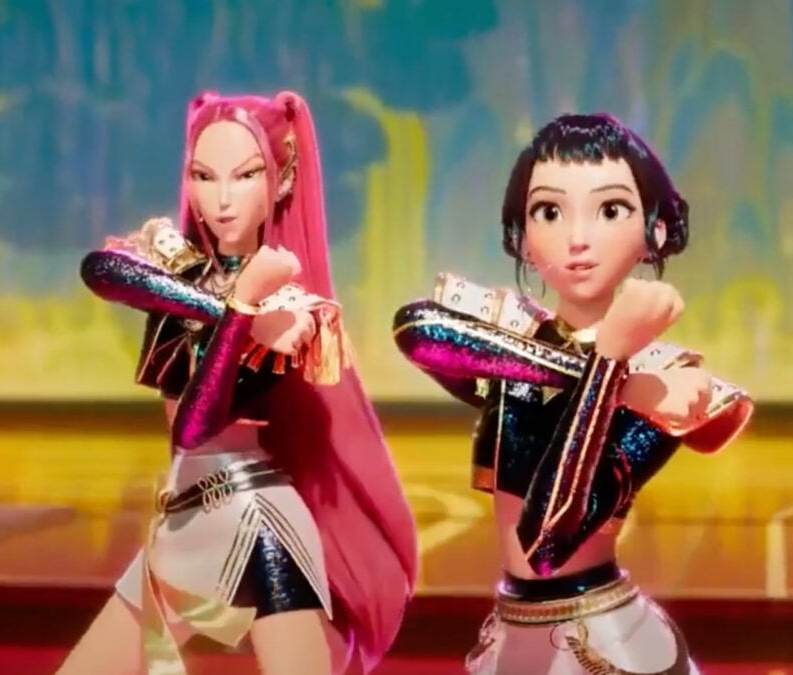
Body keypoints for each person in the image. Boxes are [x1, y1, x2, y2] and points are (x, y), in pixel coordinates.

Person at [62, 91, 417, 675]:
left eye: (245, 175)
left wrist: (246, 305)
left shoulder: (290, 308)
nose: (221, 199)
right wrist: (233, 307)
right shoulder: (183, 280)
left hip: (254, 521)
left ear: (281, 181)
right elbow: (101, 270)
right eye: (204, 176)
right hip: (183, 518)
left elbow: (196, 426)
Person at [392, 112, 755, 674]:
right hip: (511, 635)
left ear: (655, 232)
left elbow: (547, 541)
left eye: (610, 210)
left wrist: (611, 361)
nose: (577, 238)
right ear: (521, 237)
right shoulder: (516, 340)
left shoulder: (669, 374)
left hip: (606, 642)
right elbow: (415, 329)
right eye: (549, 212)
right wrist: (615, 379)